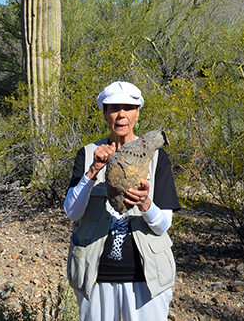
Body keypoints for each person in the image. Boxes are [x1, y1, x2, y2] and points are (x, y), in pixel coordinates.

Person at [64, 81, 180, 321]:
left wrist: (146, 204)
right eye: (114, 108)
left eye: (128, 107)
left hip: (146, 278)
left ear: (137, 113)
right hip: (95, 276)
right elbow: (72, 212)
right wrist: (93, 170)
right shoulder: (88, 154)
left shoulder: (156, 158)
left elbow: (163, 225)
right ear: (105, 113)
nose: (121, 114)